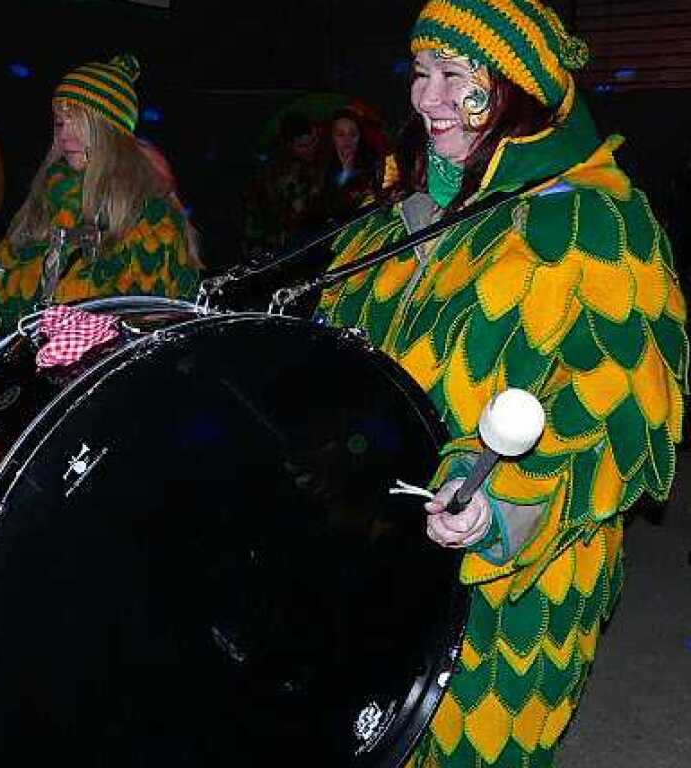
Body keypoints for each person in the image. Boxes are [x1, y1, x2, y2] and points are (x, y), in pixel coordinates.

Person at [316, 2, 687, 766]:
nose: (426, 99)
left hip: (519, 588)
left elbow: (622, 419)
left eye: (456, 76)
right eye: (421, 73)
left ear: (516, 91)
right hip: (384, 564)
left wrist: (500, 507)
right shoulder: (390, 220)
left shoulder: (594, 222)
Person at [0, 53, 200, 353]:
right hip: (29, 373)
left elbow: (158, 330)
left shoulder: (152, 218)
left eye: (77, 122)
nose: (65, 135)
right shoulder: (48, 199)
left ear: (110, 132)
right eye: (59, 123)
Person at [242, 110, 327, 258]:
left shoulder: (318, 160)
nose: (311, 148)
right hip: (279, 246)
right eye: (303, 145)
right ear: (288, 145)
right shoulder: (279, 174)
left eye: (314, 141)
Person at [319, 100, 389, 221]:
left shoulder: (373, 165)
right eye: (340, 135)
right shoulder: (319, 169)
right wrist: (344, 175)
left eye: (353, 134)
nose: (347, 141)